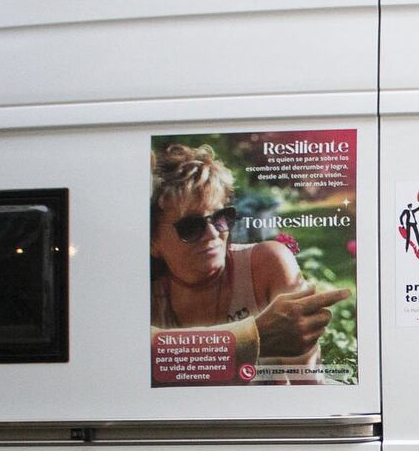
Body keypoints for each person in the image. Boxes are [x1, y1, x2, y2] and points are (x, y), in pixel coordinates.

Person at [149, 143, 349, 377]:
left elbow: (307, 381)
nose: (213, 233)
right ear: (153, 242)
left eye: (221, 217)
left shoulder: (266, 265)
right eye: (190, 227)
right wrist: (255, 337)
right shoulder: (145, 294)